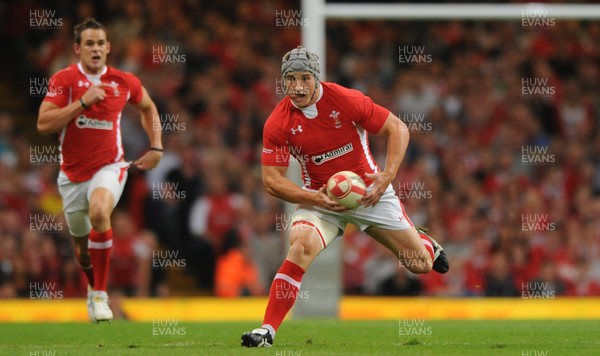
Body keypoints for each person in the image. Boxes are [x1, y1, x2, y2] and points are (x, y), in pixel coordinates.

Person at [241, 47, 449, 347]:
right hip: (321, 202)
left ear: (316, 78)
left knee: (420, 264)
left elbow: (397, 129)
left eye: (304, 78)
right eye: (290, 79)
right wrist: (313, 198)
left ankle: (424, 242)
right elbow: (272, 181)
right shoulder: (278, 123)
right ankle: (267, 331)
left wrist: (387, 176)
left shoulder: (345, 100)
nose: (297, 87)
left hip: (369, 192)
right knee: (300, 246)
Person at [37, 18, 162, 323]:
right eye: (89, 43)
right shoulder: (64, 80)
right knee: (82, 251)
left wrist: (156, 146)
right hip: (71, 177)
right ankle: (94, 285)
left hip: (110, 166)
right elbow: (43, 124)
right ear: (78, 49)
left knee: (100, 212)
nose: (95, 49)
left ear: (108, 48)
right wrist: (82, 102)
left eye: (100, 43)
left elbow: (148, 107)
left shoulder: (123, 81)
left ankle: (100, 295)